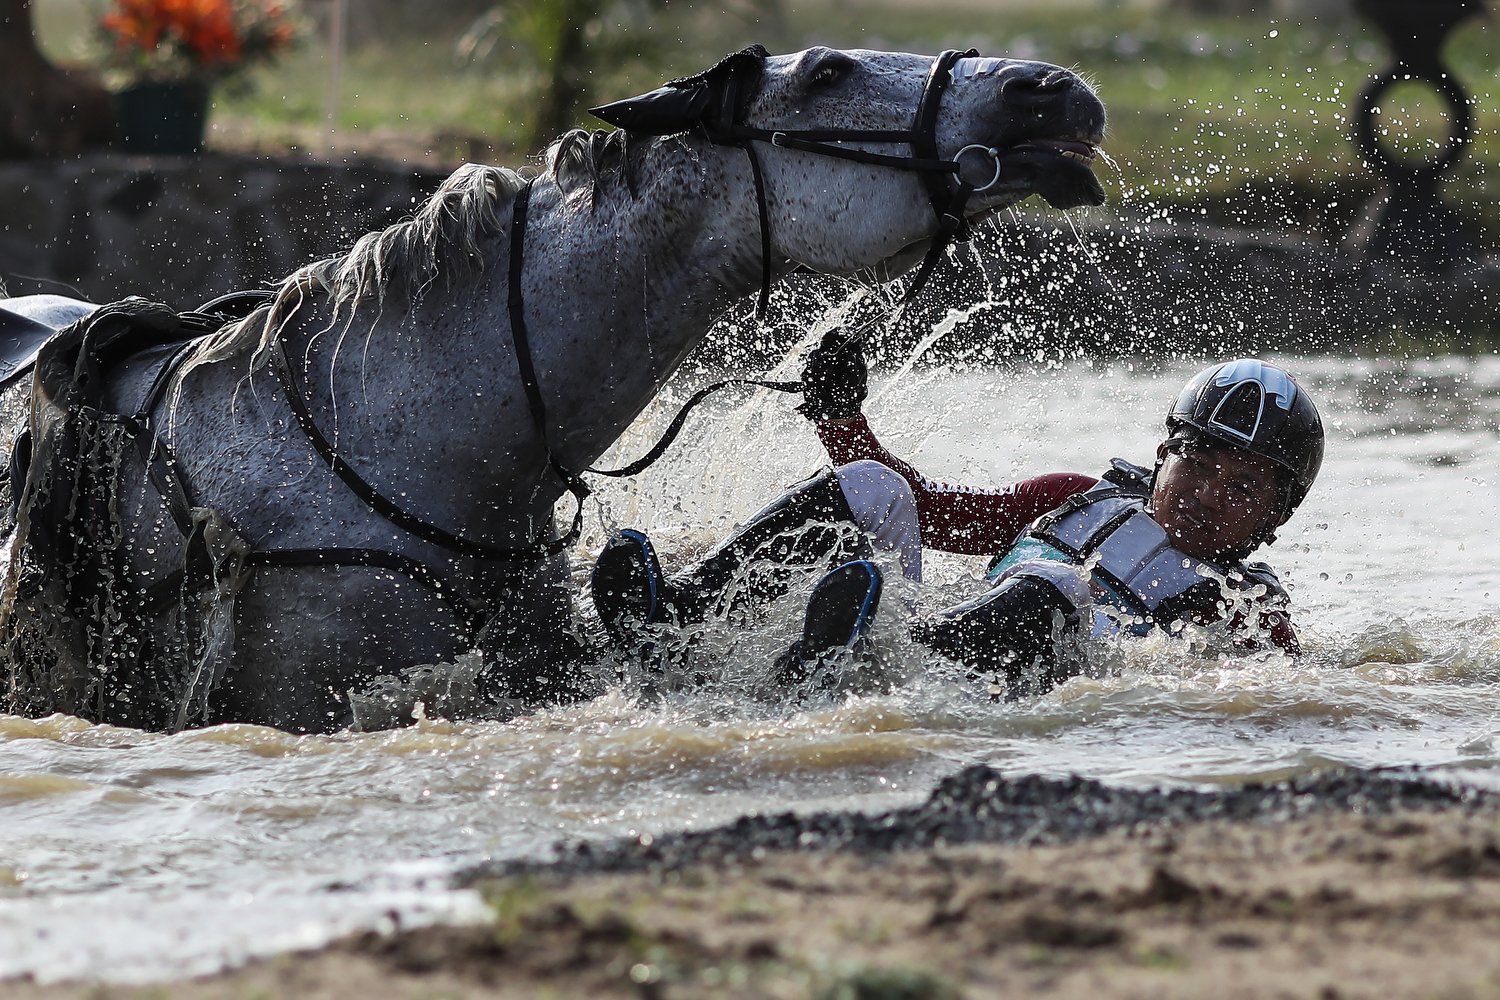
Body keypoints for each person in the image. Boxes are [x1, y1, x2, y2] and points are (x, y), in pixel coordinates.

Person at [590, 333, 1324, 697]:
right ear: (1161, 454)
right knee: (876, 486)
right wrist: (843, 417)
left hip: (972, 686)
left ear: (1274, 516)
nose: (1204, 494)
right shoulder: (1073, 495)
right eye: (1196, 465)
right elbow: (928, 510)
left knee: (1064, 588)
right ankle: (678, 621)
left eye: (1242, 488)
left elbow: (1283, 692)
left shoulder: (1243, 605)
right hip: (927, 639)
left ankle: (869, 662)